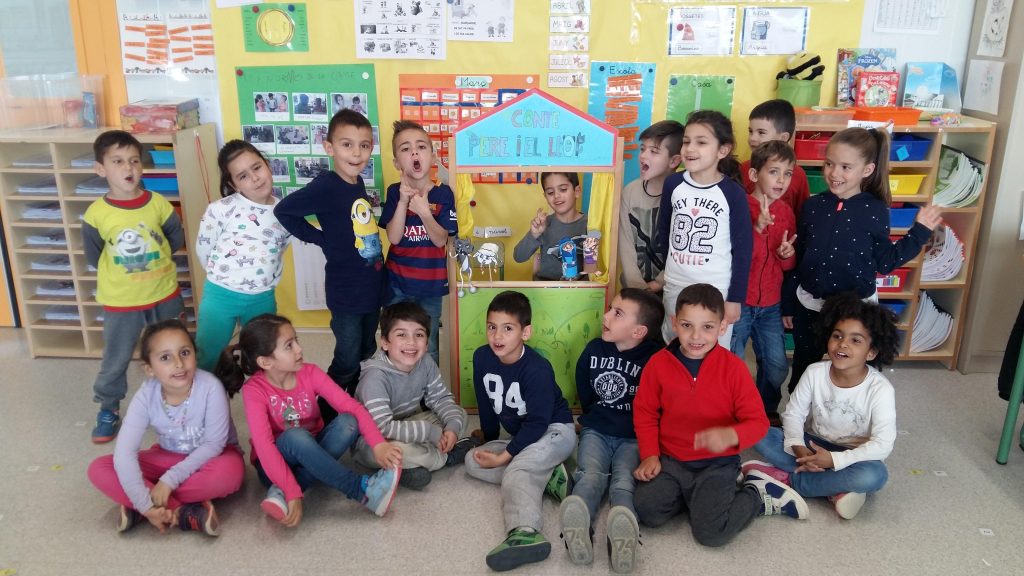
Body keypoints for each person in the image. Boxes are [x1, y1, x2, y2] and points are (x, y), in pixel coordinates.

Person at [632, 284, 808, 548]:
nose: (696, 336)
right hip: (671, 460)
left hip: (717, 464)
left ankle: (755, 494)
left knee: (711, 534)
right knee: (647, 511)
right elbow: (645, 412)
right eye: (687, 325)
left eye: (707, 327)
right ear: (674, 323)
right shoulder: (658, 364)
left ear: (722, 327)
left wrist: (730, 435)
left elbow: (758, 423)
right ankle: (700, 500)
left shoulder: (734, 369)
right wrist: (650, 455)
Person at [783, 128, 942, 391]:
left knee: (850, 373)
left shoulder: (875, 210)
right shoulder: (813, 206)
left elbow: (886, 261)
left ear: (867, 170)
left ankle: (842, 413)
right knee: (803, 369)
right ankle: (797, 414)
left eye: (846, 167)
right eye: (829, 164)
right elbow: (800, 258)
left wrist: (920, 231)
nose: (834, 173)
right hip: (810, 305)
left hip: (854, 312)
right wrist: (788, 303)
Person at [214, 314, 403, 528]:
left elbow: (351, 406)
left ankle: (282, 492)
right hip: (273, 463)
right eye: (289, 346)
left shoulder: (310, 372)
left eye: (296, 341)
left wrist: (378, 443)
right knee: (295, 436)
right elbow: (264, 446)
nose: (299, 349)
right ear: (265, 362)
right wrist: (292, 491)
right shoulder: (254, 390)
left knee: (348, 422)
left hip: (312, 449)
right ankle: (361, 490)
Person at [748, 293, 899, 520]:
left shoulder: (880, 389)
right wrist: (798, 447)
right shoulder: (815, 372)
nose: (843, 344)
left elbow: (883, 444)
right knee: (758, 431)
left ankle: (791, 481)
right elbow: (793, 414)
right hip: (812, 445)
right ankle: (835, 488)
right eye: (837, 336)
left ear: (871, 352)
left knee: (875, 476)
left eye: (855, 340)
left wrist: (834, 460)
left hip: (853, 456)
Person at [87, 319, 243, 536]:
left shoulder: (211, 387)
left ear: (195, 355)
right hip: (167, 456)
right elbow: (124, 452)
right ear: (149, 369)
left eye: (185, 353)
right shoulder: (146, 395)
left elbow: (214, 445)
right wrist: (145, 505)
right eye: (165, 357)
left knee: (229, 474)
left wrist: (169, 481)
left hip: (213, 457)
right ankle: (180, 511)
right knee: (99, 468)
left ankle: (140, 502)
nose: (178, 363)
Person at [274, 109, 385, 412]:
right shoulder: (326, 185)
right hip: (346, 291)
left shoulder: (356, 182)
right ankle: (323, 411)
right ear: (329, 147)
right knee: (347, 359)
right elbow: (283, 211)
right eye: (347, 144)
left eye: (364, 145)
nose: (357, 153)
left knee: (366, 351)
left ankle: (356, 406)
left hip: (370, 286)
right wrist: (320, 238)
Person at [84, 130, 185, 443]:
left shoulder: (157, 203)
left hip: (164, 294)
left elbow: (175, 238)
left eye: (133, 161)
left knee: (172, 351)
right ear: (101, 168)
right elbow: (94, 255)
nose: (128, 168)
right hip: (121, 301)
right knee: (116, 357)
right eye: (117, 161)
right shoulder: (96, 214)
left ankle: (178, 400)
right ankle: (108, 407)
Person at [465, 291, 576, 572]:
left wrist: (504, 457)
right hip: (525, 439)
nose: (497, 336)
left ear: (525, 333)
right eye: (492, 327)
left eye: (508, 328)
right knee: (472, 461)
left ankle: (525, 531)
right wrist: (490, 437)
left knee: (515, 469)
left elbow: (538, 423)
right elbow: (485, 402)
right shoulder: (482, 357)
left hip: (554, 432)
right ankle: (550, 477)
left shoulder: (537, 369)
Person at [559, 288, 664, 573]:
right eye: (610, 309)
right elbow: (584, 383)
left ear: (639, 331)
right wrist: (591, 416)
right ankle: (579, 523)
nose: (606, 316)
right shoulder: (594, 348)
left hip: (635, 436)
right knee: (589, 475)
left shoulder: (656, 359)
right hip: (597, 430)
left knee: (623, 483)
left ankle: (623, 533)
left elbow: (661, 400)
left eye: (617, 313)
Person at [353, 302, 474, 489]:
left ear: (426, 342)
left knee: (459, 415)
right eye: (401, 334)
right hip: (373, 440)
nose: (411, 342)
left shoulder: (425, 362)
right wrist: (428, 432)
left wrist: (451, 429)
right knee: (401, 451)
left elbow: (441, 399)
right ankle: (446, 457)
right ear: (385, 342)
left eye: (419, 335)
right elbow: (383, 427)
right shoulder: (374, 378)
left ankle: (407, 468)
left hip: (407, 421)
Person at [656, 110, 752, 347]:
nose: (690, 149)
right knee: (674, 345)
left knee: (712, 350)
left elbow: (743, 250)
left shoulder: (733, 193)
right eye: (686, 141)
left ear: (722, 150)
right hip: (676, 285)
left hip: (716, 289)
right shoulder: (673, 184)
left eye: (701, 142)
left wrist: (735, 298)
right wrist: (669, 268)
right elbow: (664, 230)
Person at [194, 140, 291, 372]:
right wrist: (225, 278)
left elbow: (279, 251)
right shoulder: (220, 209)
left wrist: (267, 281)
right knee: (207, 356)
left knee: (264, 357)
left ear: (267, 165)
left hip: (262, 297)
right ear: (233, 184)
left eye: (257, 168)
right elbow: (204, 249)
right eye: (243, 176)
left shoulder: (284, 212)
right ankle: (203, 394)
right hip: (220, 295)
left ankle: (259, 395)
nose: (255, 178)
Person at [730, 141, 798, 424]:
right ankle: (734, 411)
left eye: (788, 173)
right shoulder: (739, 207)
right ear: (754, 174)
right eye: (774, 172)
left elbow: (787, 264)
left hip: (771, 304)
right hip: (740, 302)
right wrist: (757, 229)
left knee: (777, 365)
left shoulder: (786, 212)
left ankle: (765, 410)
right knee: (733, 364)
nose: (781, 180)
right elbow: (736, 256)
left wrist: (786, 255)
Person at [380, 120, 458, 365]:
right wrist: (404, 202)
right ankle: (396, 383)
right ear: (397, 163)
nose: (414, 152)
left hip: (430, 286)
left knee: (428, 344)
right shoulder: (394, 192)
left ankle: (428, 388)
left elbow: (440, 240)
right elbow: (394, 237)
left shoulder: (444, 194)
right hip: (396, 284)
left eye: (421, 147)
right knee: (396, 342)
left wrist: (424, 212)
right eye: (406, 149)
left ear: (432, 157)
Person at [619, 120, 683, 291]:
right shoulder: (630, 192)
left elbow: (680, 249)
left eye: (654, 151)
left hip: (671, 288)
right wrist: (637, 288)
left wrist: (659, 283)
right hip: (634, 289)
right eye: (642, 149)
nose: (643, 156)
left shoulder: (682, 196)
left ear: (674, 161)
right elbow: (625, 244)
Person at [740, 99, 810, 216]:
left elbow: (802, 214)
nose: (752, 138)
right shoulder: (743, 169)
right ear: (753, 174)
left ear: (783, 138)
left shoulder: (798, 175)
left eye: (761, 132)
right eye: (751, 131)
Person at [513, 172, 588, 281]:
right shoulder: (543, 224)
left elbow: (596, 267)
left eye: (563, 189)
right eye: (550, 192)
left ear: (577, 191)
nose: (556, 196)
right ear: (545, 196)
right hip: (545, 288)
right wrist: (534, 234)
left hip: (578, 289)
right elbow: (518, 257)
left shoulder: (589, 225)